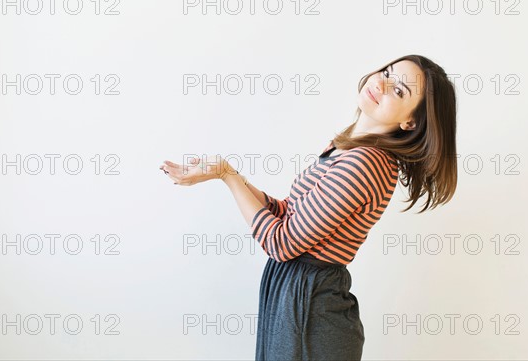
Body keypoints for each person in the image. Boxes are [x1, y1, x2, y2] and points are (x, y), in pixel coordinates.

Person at [159, 54, 458, 361]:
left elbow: (282, 242)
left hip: (310, 311)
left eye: (399, 91)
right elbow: (291, 213)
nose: (381, 83)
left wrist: (227, 175)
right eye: (388, 72)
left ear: (410, 122)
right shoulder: (349, 148)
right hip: (297, 299)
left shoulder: (366, 163)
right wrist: (226, 175)